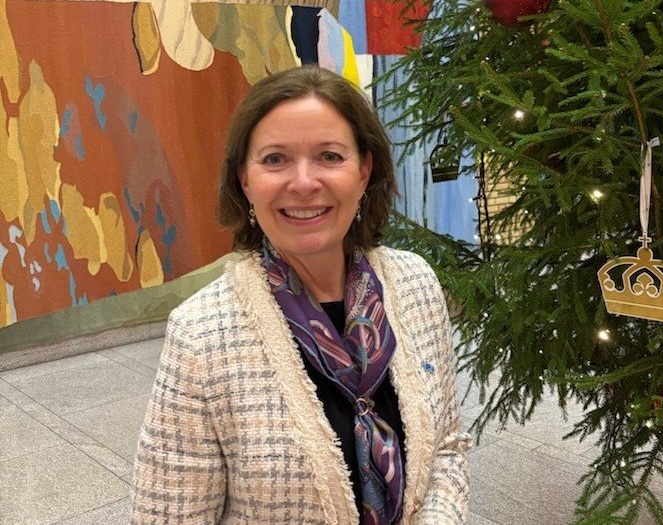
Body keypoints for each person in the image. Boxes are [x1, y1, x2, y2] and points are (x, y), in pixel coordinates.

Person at [131, 65, 470, 525]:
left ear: (364, 170)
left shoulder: (415, 285)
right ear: (245, 180)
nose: (305, 182)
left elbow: (447, 447)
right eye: (275, 159)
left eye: (329, 156)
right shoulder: (201, 334)